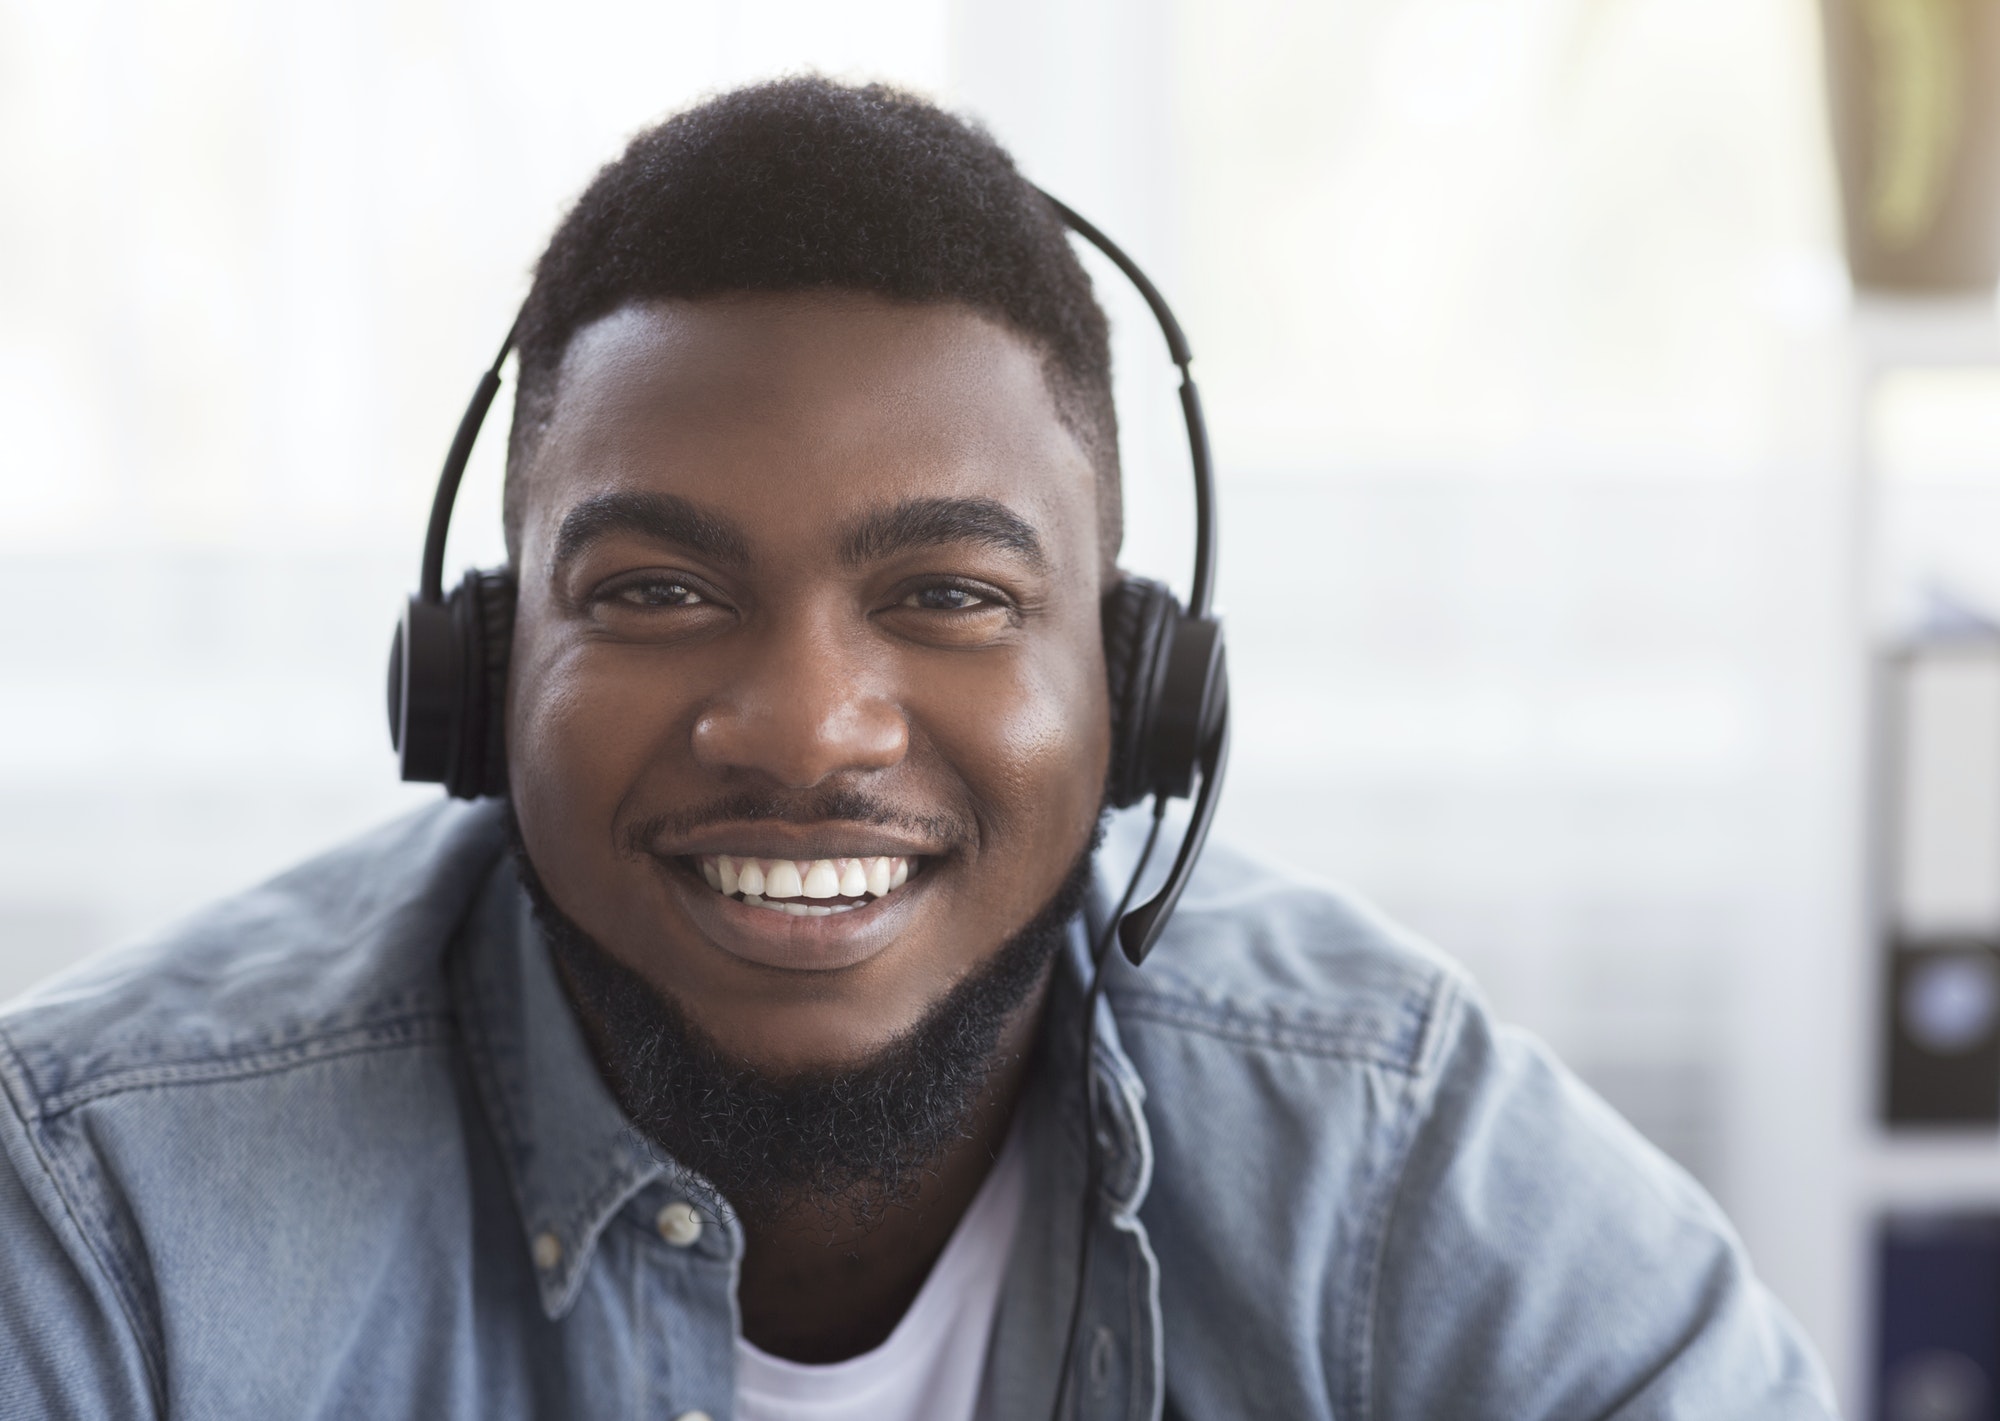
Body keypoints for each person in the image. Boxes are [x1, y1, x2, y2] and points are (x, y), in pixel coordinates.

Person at [0, 77, 1835, 1420]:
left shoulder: (1385, 1150)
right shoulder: (109, 1211)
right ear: (478, 679)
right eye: (653, 591)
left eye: (950, 593)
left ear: (1138, 690)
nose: (807, 728)